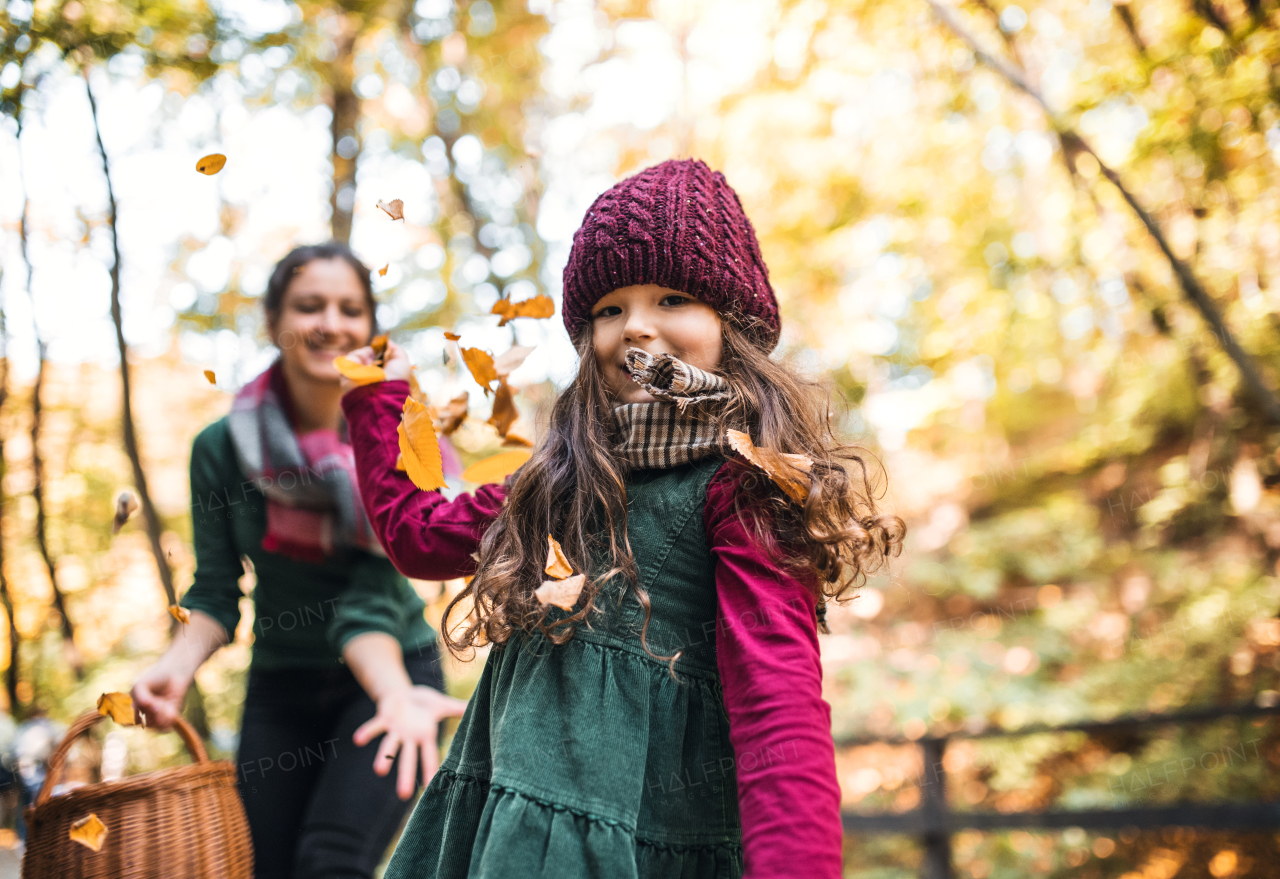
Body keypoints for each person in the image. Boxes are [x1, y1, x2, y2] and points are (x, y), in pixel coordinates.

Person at [340, 159, 905, 878]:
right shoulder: (559, 482)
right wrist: (379, 401)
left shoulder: (742, 488)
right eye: (609, 309)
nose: (636, 327)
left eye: (672, 297)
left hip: (642, 845)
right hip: (505, 836)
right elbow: (420, 536)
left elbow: (778, 708)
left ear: (733, 326)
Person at [131, 243, 467, 879]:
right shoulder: (223, 447)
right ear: (274, 321)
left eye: (350, 309)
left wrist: (395, 694)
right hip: (283, 682)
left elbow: (372, 596)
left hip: (393, 678)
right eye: (309, 306)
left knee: (330, 863)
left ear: (370, 329)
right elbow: (214, 590)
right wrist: (174, 668)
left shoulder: (405, 435)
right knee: (266, 868)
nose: (330, 324)